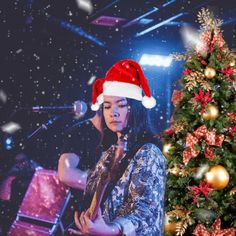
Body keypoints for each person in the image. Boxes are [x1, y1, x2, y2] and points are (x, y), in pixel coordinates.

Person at [69, 59, 166, 236]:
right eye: (107, 106)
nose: (113, 112)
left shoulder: (149, 153)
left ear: (136, 108)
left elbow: (146, 214)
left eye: (121, 105)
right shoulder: (108, 153)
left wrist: (111, 230)